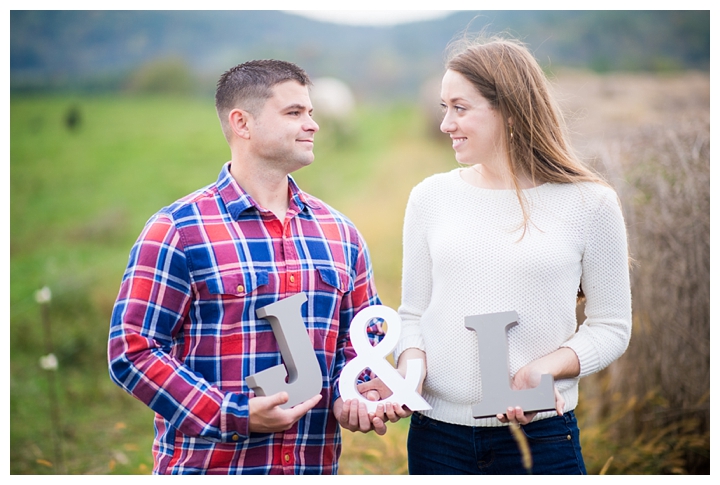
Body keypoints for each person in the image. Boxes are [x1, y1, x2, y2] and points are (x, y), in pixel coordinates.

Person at [108, 59, 405, 475]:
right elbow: (133, 350)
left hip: (311, 469)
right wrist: (234, 415)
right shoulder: (177, 230)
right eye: (294, 113)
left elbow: (360, 342)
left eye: (311, 112)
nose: (313, 125)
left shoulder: (341, 233)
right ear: (242, 123)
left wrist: (355, 393)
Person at [393, 37, 632, 474]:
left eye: (460, 108)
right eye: (444, 107)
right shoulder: (430, 197)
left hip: (540, 439)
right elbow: (413, 316)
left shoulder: (590, 203)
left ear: (511, 109)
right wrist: (406, 381)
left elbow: (611, 327)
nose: (445, 123)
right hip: (435, 438)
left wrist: (544, 370)